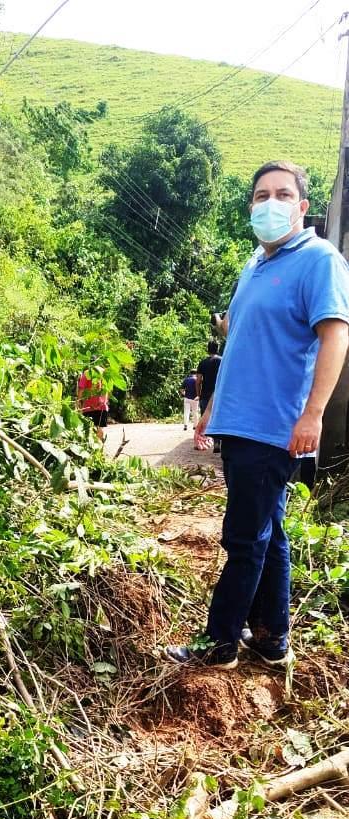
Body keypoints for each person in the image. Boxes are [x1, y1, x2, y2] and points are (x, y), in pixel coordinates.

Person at [166, 159, 349, 670]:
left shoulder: (319, 260)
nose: (271, 203)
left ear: (303, 206)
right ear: (251, 205)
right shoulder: (255, 264)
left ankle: (219, 643)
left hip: (276, 425)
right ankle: (272, 639)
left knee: (244, 537)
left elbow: (336, 337)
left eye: (282, 194)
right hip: (241, 422)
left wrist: (313, 415)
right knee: (269, 531)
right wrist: (212, 410)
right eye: (261, 195)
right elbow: (242, 342)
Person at [196, 340, 222, 451]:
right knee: (219, 418)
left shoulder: (202, 363)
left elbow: (198, 381)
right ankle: (217, 442)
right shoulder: (222, 361)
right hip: (219, 395)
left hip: (205, 395)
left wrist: (198, 394)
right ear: (218, 348)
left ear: (208, 349)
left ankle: (203, 441)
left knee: (205, 419)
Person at [77, 370, 109, 441]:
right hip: (102, 406)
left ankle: (93, 449)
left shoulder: (86, 373)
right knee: (100, 429)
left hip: (88, 407)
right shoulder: (104, 372)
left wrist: (78, 402)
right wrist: (104, 401)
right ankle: (99, 449)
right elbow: (107, 389)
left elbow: (81, 389)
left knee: (89, 431)